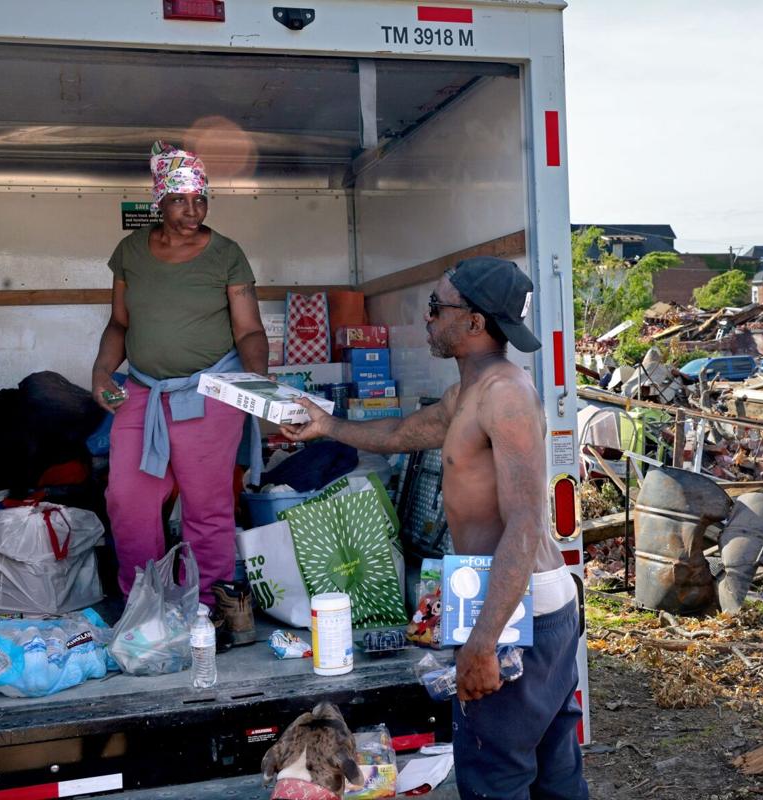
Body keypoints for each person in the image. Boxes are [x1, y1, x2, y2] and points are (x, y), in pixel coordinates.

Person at [281, 257, 588, 799]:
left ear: (474, 323)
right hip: (520, 607)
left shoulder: (505, 395)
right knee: (551, 775)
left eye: (436, 307)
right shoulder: (469, 393)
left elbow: (524, 522)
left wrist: (483, 643)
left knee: (496, 776)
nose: (426, 318)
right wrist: (326, 425)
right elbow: (402, 432)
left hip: (520, 614)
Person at [91, 141, 266, 644]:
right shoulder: (130, 252)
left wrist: (258, 385)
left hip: (207, 390)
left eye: (201, 199)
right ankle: (143, 604)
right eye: (180, 200)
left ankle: (206, 609)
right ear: (159, 201)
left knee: (206, 505)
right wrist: (104, 372)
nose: (192, 211)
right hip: (141, 391)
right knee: (127, 499)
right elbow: (119, 323)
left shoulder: (226, 254)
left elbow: (250, 332)